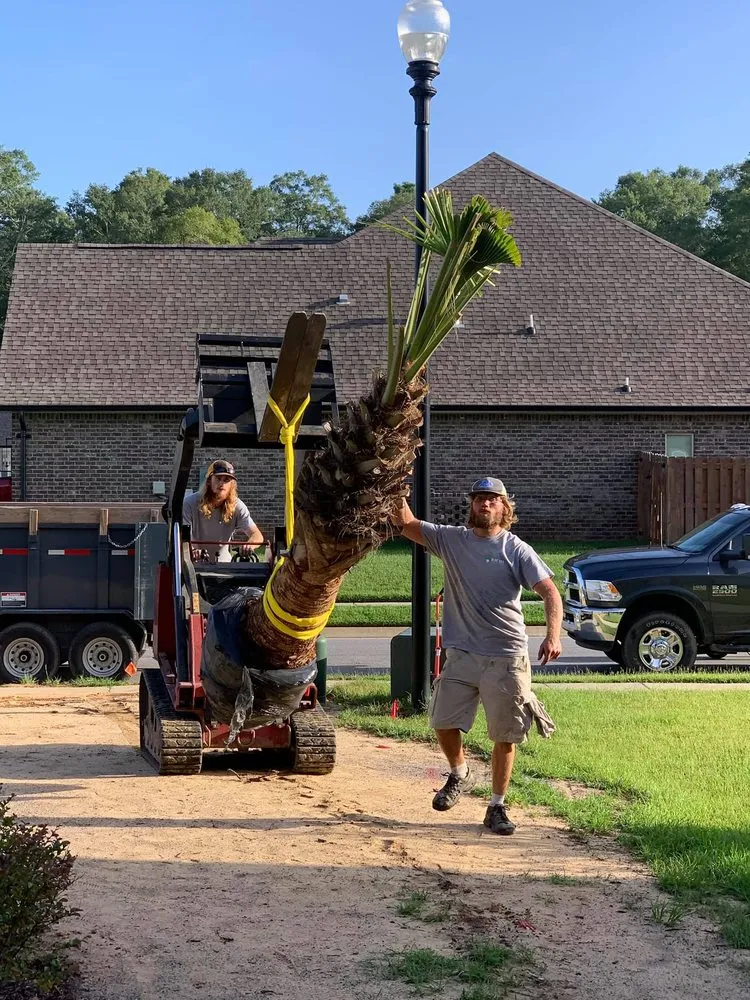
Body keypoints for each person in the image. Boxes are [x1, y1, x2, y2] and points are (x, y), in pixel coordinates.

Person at [391, 476, 563, 836]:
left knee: (505, 735)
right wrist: (396, 487)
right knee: (442, 720)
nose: (485, 504)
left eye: (492, 499)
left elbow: (550, 591)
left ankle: (497, 806)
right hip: (462, 653)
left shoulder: (516, 549)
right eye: (479, 498)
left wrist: (552, 636)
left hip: (506, 655)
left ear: (504, 507)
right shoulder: (451, 540)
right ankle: (460, 773)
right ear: (471, 505)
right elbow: (406, 523)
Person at [182, 460, 264, 562]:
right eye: (218, 478)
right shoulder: (189, 503)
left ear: (231, 485)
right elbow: (181, 537)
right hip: (194, 564)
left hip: (225, 565)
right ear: (209, 481)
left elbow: (257, 535)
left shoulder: (237, 506)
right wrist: (192, 550)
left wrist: (249, 546)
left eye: (226, 480)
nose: (222, 483)